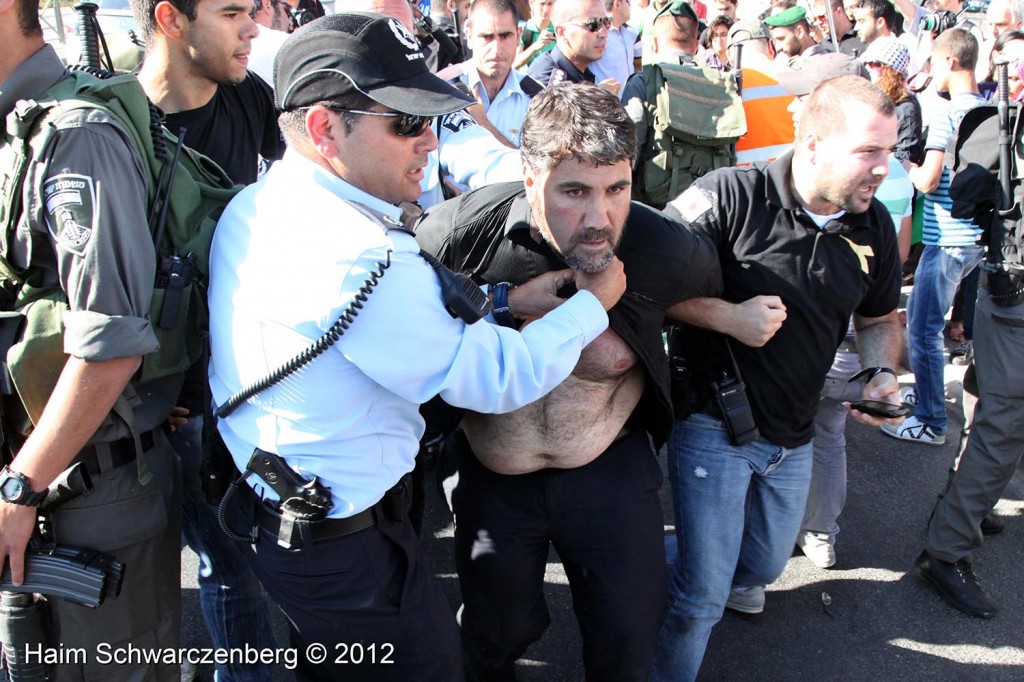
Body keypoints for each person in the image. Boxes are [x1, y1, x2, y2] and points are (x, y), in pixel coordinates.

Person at [209, 13, 627, 681]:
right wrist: (588, 309)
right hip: (349, 552)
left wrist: (503, 303)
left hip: (294, 519)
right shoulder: (361, 257)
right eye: (405, 121)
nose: (429, 139)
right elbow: (495, 378)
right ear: (324, 128)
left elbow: (363, 332)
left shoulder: (263, 203)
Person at [415, 82, 722, 681]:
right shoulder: (458, 235)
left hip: (608, 469)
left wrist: (730, 318)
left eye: (616, 189)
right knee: (492, 634)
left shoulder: (664, 247)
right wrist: (498, 304)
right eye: (574, 191)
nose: (598, 218)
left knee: (628, 635)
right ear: (531, 178)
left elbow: (705, 300)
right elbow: (403, 324)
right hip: (493, 476)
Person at [650, 74, 904, 681]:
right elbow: (641, 281)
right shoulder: (730, 195)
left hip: (795, 434)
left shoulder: (875, 226)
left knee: (761, 567)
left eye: (890, 152)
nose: (883, 169)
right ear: (812, 144)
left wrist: (880, 371)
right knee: (700, 602)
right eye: (868, 152)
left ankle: (657, 559)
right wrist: (726, 316)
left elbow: (877, 318)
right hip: (713, 422)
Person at [0, 0, 182, 679]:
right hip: (40, 471)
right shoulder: (19, 128)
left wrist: (23, 487)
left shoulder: (77, 136)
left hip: (87, 486)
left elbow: (110, 344)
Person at [130, 0, 285, 676]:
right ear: (171, 19)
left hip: (247, 384)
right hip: (166, 407)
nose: (253, 26)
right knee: (219, 569)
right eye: (231, 12)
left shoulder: (248, 94)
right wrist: (153, 391)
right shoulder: (115, 130)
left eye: (252, 10)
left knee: (250, 564)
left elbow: (311, 176)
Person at [913, 90, 1024, 619]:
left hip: (1007, 289)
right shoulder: (1002, 121)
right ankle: (948, 547)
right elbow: (965, 196)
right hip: (1014, 292)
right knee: (1003, 421)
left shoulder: (1002, 121)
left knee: (990, 407)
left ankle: (966, 508)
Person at [882, 28, 986, 446]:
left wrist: (901, 162)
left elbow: (927, 181)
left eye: (934, 62)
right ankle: (927, 398)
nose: (930, 71)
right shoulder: (989, 109)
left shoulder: (946, 113)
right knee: (928, 328)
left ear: (950, 62)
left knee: (922, 332)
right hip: (974, 237)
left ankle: (931, 420)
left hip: (945, 240)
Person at [453, 0, 544, 146]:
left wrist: (483, 124)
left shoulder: (536, 97)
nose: (496, 49)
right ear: (469, 35)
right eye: (486, 37)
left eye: (505, 36)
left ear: (518, 35)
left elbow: (538, 167)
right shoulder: (445, 90)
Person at [727, 19, 797, 166]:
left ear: (730, 55)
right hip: (794, 176)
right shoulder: (798, 78)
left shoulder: (728, 85)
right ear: (771, 47)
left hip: (746, 180)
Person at [528, 0, 618, 93]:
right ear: (562, 32)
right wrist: (600, 98)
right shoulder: (549, 81)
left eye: (607, 22)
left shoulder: (580, 69)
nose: (604, 33)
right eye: (593, 24)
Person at [860, 36, 924, 165]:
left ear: (891, 70)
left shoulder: (906, 108)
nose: (868, 67)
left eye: (875, 64)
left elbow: (906, 156)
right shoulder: (870, 100)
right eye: (866, 63)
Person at [591, 0, 640, 95]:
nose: (631, 5)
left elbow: (638, 65)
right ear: (617, 4)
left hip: (630, 105)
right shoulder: (596, 33)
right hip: (604, 104)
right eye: (628, 1)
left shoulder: (632, 34)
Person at [514, 0, 557, 68]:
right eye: (542, 4)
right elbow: (514, 65)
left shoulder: (558, 30)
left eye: (550, 4)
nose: (546, 9)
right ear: (531, 3)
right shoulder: (522, 30)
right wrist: (535, 46)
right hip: (529, 77)